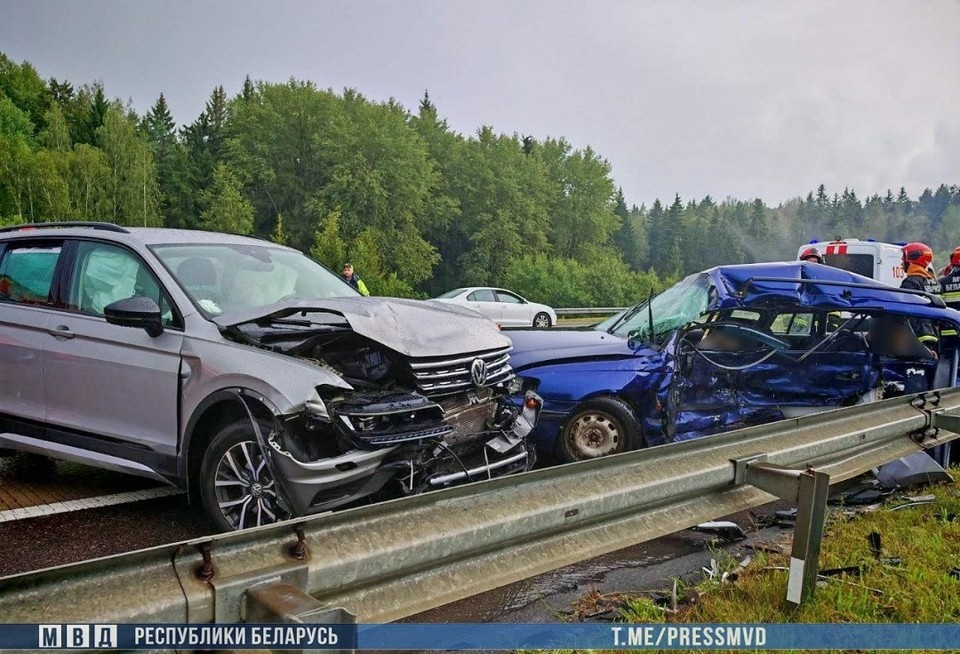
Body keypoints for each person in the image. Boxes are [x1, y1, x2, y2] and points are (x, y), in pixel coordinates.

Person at [900, 242, 940, 352]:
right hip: (934, 335)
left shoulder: (910, 282)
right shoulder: (935, 282)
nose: (901, 261)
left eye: (903, 257)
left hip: (916, 336)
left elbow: (902, 310)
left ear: (912, 258)